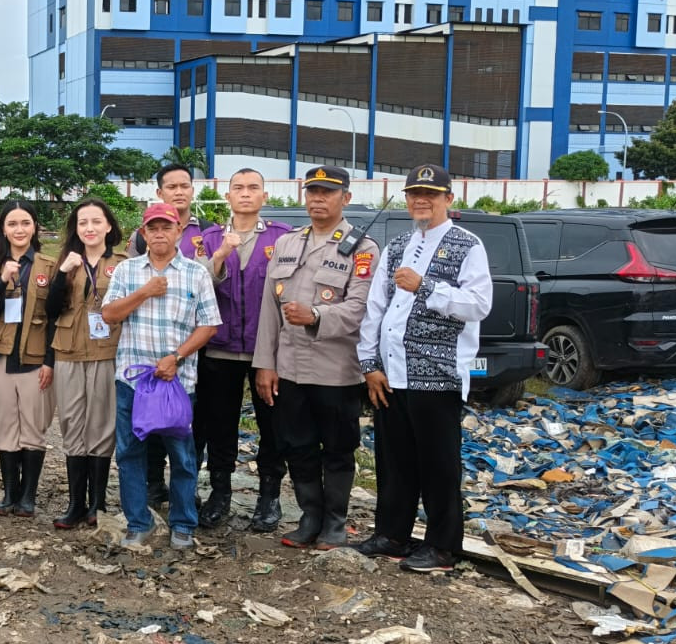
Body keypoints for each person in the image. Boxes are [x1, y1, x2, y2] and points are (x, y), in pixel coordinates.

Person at [354, 164, 493, 573]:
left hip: (437, 373)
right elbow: (375, 308)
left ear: (448, 198)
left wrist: (427, 287)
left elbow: (479, 304)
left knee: (438, 463)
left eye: (430, 194)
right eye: (415, 193)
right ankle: (392, 534)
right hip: (391, 373)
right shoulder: (396, 245)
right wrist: (369, 363)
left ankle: (442, 546)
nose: (421, 200)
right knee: (394, 460)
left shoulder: (467, 245)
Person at [251, 166, 379, 551]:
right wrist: (265, 364)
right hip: (289, 368)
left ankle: (335, 523)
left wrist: (318, 316)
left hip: (335, 371)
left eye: (327, 192)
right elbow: (269, 310)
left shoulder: (363, 248)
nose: (318, 199)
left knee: (338, 448)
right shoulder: (289, 243)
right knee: (297, 445)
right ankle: (310, 518)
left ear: (345, 199)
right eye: (312, 192)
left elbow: (360, 308)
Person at [101, 203, 221, 550]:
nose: (159, 234)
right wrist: (144, 292)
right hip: (132, 381)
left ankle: (182, 523)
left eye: (165, 227)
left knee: (182, 456)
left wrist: (177, 357)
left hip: (176, 382)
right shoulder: (126, 271)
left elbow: (209, 324)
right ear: (143, 233)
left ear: (178, 231)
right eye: (152, 228)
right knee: (129, 453)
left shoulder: (196, 274)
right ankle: (139, 522)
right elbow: (109, 314)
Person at [196, 169, 294, 531]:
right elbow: (196, 285)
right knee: (219, 425)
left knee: (272, 425)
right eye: (238, 188)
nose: (246, 194)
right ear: (228, 197)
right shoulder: (207, 238)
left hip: (265, 351)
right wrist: (220, 255)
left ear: (265, 196)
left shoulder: (282, 238)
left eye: (254, 187)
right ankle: (219, 493)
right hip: (220, 349)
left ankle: (268, 497)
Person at [131, 164, 220, 508]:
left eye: (185, 185)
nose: (179, 191)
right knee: (152, 419)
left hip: (197, 343)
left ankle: (189, 489)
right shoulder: (141, 237)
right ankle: (154, 484)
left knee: (190, 422)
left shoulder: (210, 232)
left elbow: (215, 286)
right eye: (172, 186)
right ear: (160, 192)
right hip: (150, 348)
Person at [43, 199, 125, 529]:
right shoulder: (66, 262)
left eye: (95, 221)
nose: (89, 228)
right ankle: (76, 504)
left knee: (102, 424)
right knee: (73, 422)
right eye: (82, 222)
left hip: (107, 350)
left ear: (108, 226)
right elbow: (50, 309)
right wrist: (63, 274)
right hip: (68, 350)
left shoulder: (122, 263)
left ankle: (98, 504)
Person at [0, 201, 56, 519]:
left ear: (34, 227)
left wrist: (51, 360)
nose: (19, 229)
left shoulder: (49, 267)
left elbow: (56, 318)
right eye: (12, 224)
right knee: (5, 426)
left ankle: (28, 496)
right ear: (3, 230)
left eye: (25, 223)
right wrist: (1, 281)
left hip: (36, 359)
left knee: (33, 428)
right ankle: (9, 493)